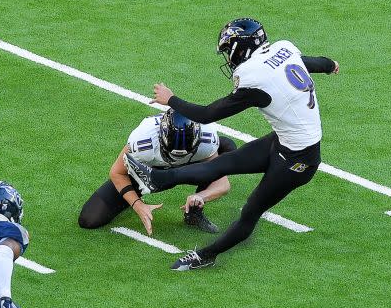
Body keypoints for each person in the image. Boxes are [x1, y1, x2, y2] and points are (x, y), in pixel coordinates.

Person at [124, 18, 339, 270]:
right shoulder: (283, 50)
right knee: (224, 163)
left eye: (229, 50)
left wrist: (171, 99)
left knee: (251, 211)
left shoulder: (254, 77)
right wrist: (330, 65)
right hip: (285, 141)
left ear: (241, 47)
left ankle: (206, 255)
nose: (228, 58)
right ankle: (156, 180)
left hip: (298, 160)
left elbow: (207, 114)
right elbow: (311, 63)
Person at [78, 108, 235, 235]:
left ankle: (194, 213)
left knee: (228, 148)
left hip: (189, 168)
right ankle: (134, 194)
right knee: (89, 219)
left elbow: (223, 184)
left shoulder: (207, 141)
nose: (176, 157)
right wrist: (137, 204)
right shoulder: (142, 141)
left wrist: (201, 196)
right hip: (150, 173)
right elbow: (117, 173)